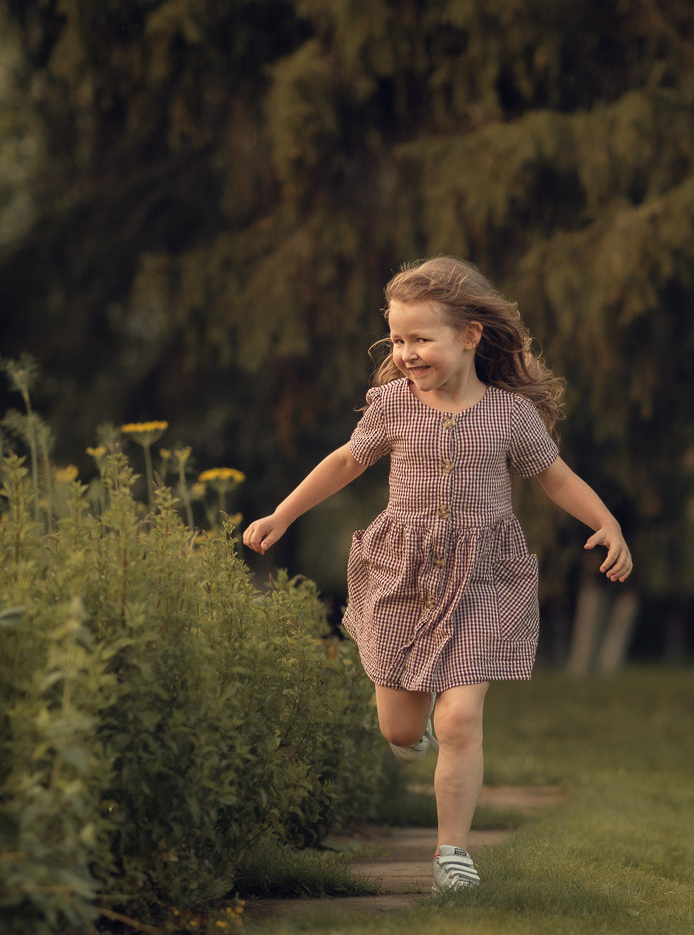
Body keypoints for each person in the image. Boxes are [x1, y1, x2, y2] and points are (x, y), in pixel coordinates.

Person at [244, 257, 631, 894]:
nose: (406, 353)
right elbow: (345, 462)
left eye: (421, 339)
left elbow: (555, 477)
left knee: (459, 722)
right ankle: (412, 732)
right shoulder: (393, 406)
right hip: (404, 574)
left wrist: (608, 522)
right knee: (401, 728)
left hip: (485, 575)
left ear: (470, 336)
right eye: (397, 340)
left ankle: (453, 854)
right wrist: (282, 515)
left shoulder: (509, 415)